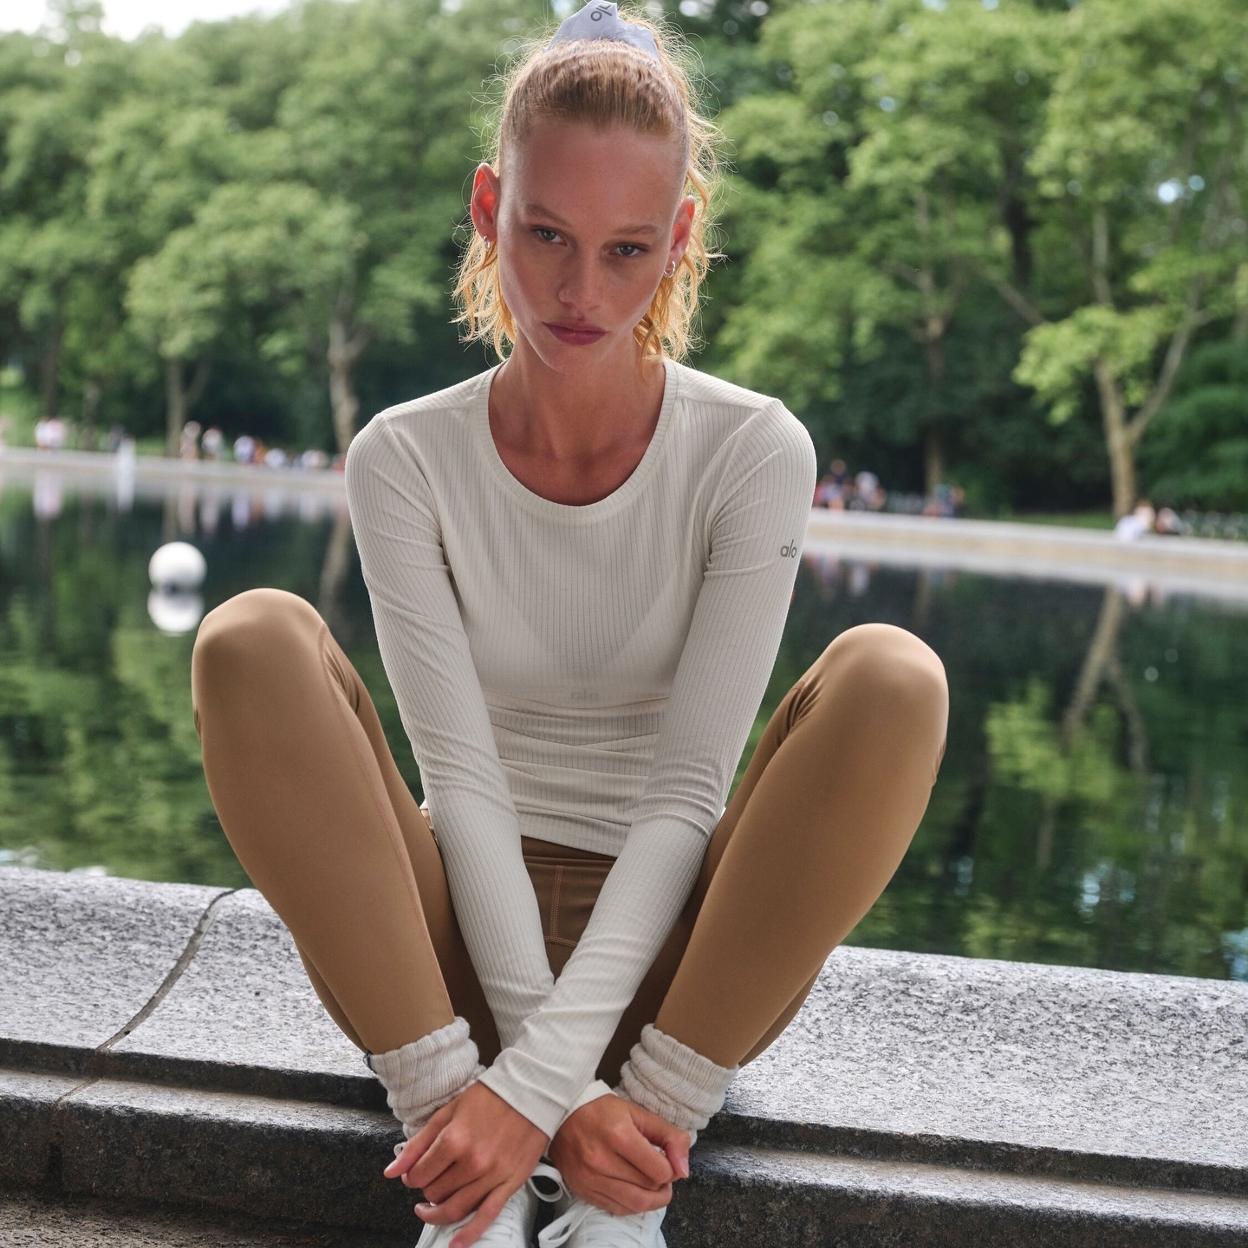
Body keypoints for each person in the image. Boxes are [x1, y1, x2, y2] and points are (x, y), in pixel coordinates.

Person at [189, 6, 949, 1248]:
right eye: (545, 234)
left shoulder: (753, 450)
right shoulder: (405, 457)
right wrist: (482, 1090)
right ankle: (465, 1176)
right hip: (438, 970)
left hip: (677, 987)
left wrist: (582, 1091)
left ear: (680, 240)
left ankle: (618, 1182)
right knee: (250, 638)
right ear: (490, 206)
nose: (578, 291)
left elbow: (686, 793)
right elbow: (465, 782)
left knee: (895, 676)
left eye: (625, 249)